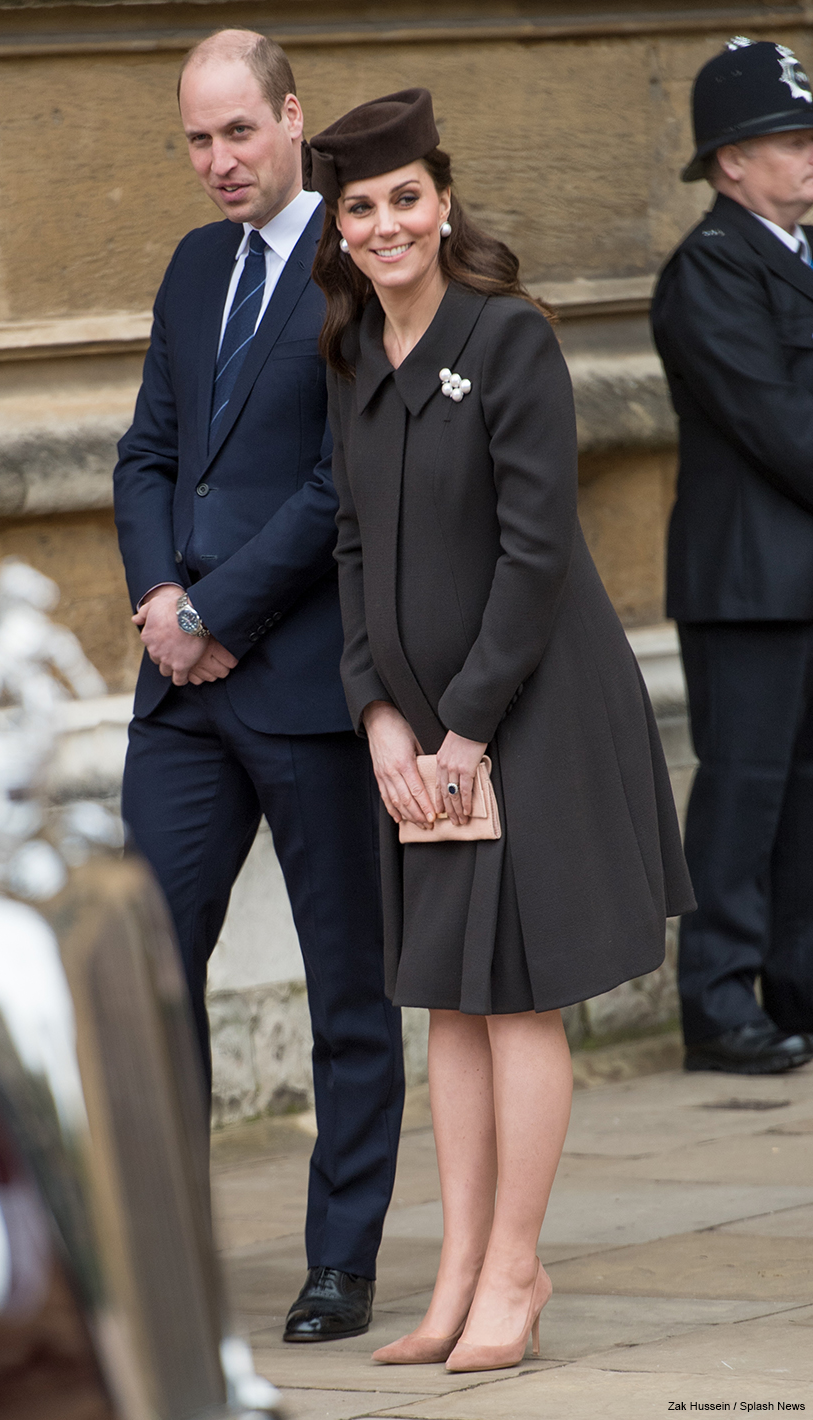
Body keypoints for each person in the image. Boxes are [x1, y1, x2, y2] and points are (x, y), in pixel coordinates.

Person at [307, 88, 695, 1373]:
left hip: (525, 715)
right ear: (341, 226)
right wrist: (375, 716)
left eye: (404, 198)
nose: (385, 224)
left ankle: (516, 1269)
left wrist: (460, 731)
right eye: (360, 207)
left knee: (519, 1000)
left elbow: (535, 557)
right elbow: (352, 547)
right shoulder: (352, 353)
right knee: (449, 1002)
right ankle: (458, 1269)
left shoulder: (507, 339)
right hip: (416, 733)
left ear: (442, 199)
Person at [113, 30, 404, 1343]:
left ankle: (341, 1259)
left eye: (239, 131)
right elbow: (145, 456)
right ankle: (150, 1252)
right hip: (180, 698)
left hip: (303, 688)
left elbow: (343, 480)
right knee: (146, 977)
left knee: (350, 990)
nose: (218, 161)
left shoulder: (359, 266)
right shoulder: (189, 267)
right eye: (196, 139)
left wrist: (223, 611)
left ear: (293, 120)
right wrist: (167, 609)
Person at [651, 37, 813, 1075]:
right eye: (789, 142)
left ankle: (795, 987)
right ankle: (716, 1002)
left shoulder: (799, 256)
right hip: (749, 585)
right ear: (728, 165)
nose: (808, 160)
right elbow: (777, 424)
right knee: (744, 794)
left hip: (798, 579)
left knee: (806, 799)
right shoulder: (709, 269)